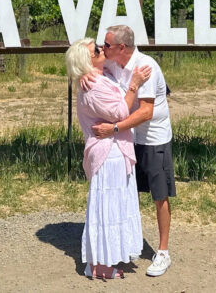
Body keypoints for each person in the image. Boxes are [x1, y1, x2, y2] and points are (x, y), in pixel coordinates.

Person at [89, 24, 175, 277]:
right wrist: (83, 75)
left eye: (106, 45)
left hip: (153, 138)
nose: (102, 49)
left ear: (121, 47)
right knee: (130, 193)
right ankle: (128, 244)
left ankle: (163, 252)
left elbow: (146, 112)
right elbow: (90, 67)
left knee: (159, 195)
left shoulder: (144, 67)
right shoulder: (113, 63)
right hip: (129, 140)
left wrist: (114, 128)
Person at [65, 37, 152, 280]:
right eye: (96, 49)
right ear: (88, 60)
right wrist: (134, 85)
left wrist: (84, 71)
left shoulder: (102, 76)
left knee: (116, 205)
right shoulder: (93, 87)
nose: (102, 49)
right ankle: (98, 265)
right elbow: (121, 112)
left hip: (115, 149)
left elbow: (117, 62)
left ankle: (109, 256)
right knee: (107, 207)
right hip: (108, 152)